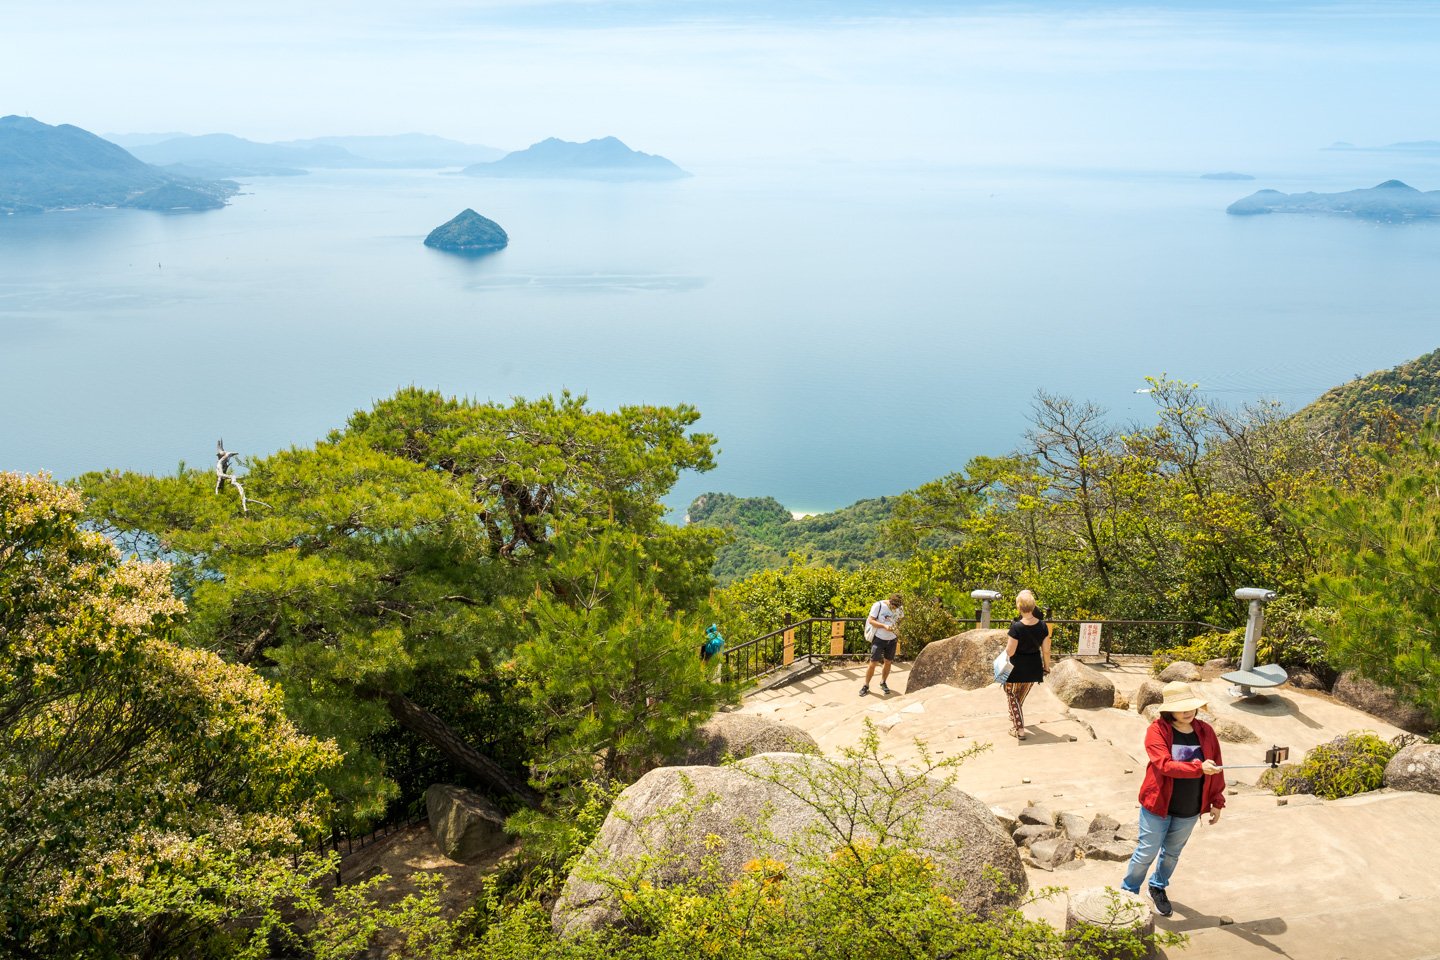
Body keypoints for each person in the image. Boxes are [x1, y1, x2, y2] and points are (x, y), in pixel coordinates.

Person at [1120, 680, 1226, 917]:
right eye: (1181, 708)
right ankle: (1128, 892)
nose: (1187, 712)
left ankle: (1157, 887)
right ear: (1169, 710)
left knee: (1172, 854)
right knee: (1146, 851)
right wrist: (1198, 767)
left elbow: (1217, 765)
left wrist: (1217, 800)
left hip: (1190, 807)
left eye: (1190, 707)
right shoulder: (1157, 731)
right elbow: (1164, 765)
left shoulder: (1205, 731)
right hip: (1158, 805)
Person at [1002, 590, 1051, 739]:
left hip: (1016, 669)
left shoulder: (1016, 627)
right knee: (1019, 697)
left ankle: (1019, 729)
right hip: (1034, 667)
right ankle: (1015, 715)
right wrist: (1046, 667)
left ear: (1019, 607)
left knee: (1011, 694)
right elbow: (1046, 650)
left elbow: (1010, 652)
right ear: (1033, 606)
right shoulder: (1043, 626)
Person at [860, 593, 903, 697]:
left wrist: (897, 627)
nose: (895, 609)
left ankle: (883, 682)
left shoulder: (900, 608)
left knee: (888, 662)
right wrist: (884, 626)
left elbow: (901, 620)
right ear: (890, 602)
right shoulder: (878, 605)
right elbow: (871, 621)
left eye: (896, 607)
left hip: (892, 639)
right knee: (873, 663)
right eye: (893, 607)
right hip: (879, 638)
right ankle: (866, 685)